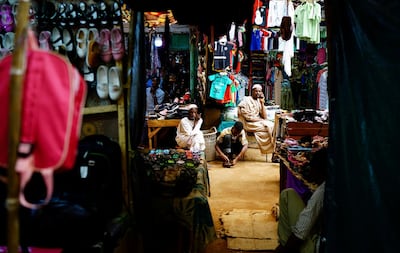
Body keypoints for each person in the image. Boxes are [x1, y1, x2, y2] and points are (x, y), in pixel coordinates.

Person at [275, 147, 328, 253]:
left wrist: (284, 249)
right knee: (289, 194)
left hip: (317, 247)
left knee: (288, 195)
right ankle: (287, 246)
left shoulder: (324, 189)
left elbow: (302, 229)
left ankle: (287, 247)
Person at [237, 84, 275, 155]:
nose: (258, 93)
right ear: (252, 91)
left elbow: (264, 117)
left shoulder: (258, 101)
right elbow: (248, 118)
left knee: (272, 126)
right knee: (270, 127)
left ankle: (273, 150)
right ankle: (272, 149)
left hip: (256, 122)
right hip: (248, 124)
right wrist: (261, 120)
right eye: (256, 91)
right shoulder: (246, 100)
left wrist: (262, 103)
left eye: (259, 91)